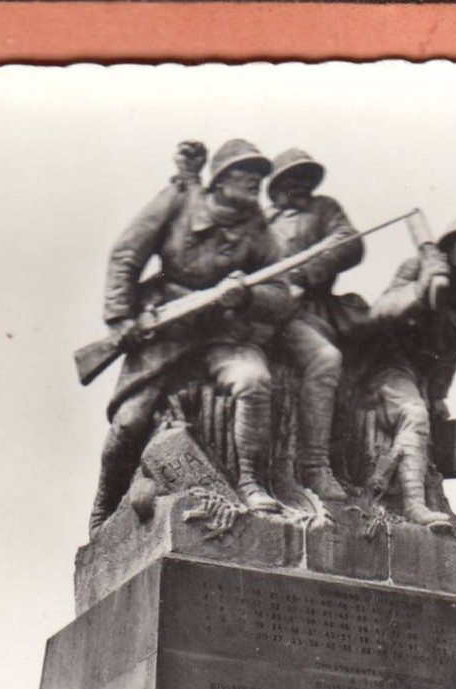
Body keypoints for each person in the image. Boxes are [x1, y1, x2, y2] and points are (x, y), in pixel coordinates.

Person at [89, 139, 292, 535]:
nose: (254, 181)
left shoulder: (259, 232)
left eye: (258, 175)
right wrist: (119, 318)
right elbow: (126, 254)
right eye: (243, 172)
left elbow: (281, 296)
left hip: (223, 333)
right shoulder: (180, 201)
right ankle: (104, 506)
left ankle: (251, 481)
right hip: (165, 328)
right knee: (129, 423)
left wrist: (247, 295)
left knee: (254, 381)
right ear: (218, 179)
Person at [362, 215, 456, 531]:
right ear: (448, 247)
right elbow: (378, 314)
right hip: (383, 365)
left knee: (427, 418)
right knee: (413, 414)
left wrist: (438, 394)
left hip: (420, 376)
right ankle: (414, 505)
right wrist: (421, 289)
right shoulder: (418, 267)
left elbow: (455, 350)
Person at [264, 148, 364, 502]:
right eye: (289, 180)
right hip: (256, 317)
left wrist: (304, 277)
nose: (298, 187)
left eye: (304, 179)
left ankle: (315, 466)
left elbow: (349, 244)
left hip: (301, 314)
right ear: (273, 187)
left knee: (325, 359)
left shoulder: (324, 210)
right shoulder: (257, 222)